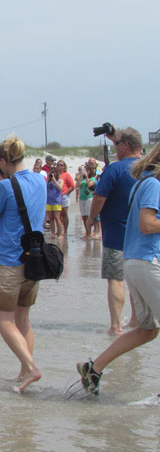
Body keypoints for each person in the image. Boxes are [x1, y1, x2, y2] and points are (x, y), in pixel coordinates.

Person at [75, 143, 160, 396]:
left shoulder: (143, 184)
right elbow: (147, 224)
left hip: (135, 262)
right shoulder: (154, 185)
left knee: (147, 330)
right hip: (145, 262)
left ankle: (94, 368)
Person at [0, 135, 46, 392]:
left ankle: (30, 368)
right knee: (23, 317)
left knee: (2, 320)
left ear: (2, 160)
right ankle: (24, 373)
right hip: (35, 260)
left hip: (11, 261)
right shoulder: (40, 180)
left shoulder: (7, 187)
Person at [86, 126, 143, 335]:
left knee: (116, 279)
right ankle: (137, 320)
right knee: (136, 280)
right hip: (143, 235)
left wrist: (92, 219)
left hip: (117, 235)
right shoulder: (148, 168)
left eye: (117, 144)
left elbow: (99, 198)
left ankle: (116, 325)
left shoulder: (116, 169)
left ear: (125, 145)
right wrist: (116, 137)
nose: (114, 148)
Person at [56, 160, 75, 236]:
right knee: (57, 214)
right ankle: (59, 230)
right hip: (56, 197)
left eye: (61, 165)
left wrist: (65, 193)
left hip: (64, 196)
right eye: (58, 165)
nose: (59, 166)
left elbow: (72, 186)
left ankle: (65, 230)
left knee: (64, 213)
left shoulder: (66, 175)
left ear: (64, 166)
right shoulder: (56, 175)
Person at [79, 164, 97, 238]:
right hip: (82, 198)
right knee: (84, 217)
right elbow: (78, 185)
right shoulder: (82, 178)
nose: (86, 171)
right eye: (85, 170)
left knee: (88, 216)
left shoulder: (92, 178)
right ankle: (87, 232)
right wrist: (80, 176)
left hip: (88, 198)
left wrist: (86, 178)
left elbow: (89, 185)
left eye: (87, 170)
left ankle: (89, 233)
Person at [46, 166, 64, 239]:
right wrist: (48, 177)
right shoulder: (49, 181)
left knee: (57, 218)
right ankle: (53, 233)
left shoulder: (60, 180)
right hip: (49, 201)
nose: (52, 174)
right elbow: (44, 186)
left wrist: (54, 179)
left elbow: (60, 188)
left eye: (54, 172)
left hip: (57, 202)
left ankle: (60, 234)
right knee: (51, 218)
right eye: (51, 172)